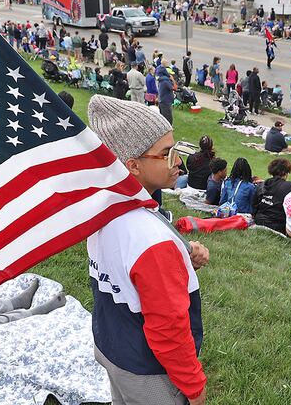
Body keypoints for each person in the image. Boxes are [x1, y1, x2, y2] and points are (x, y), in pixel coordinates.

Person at [85, 95, 208, 405]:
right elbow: (168, 329)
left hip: (112, 345)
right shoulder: (151, 240)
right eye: (166, 153)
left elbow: (126, 270)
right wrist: (193, 388)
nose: (178, 161)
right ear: (133, 164)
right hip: (148, 371)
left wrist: (180, 255)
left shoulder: (105, 207)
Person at [253, 159, 291, 234]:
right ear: (286, 173)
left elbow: (255, 204)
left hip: (259, 220)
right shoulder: (290, 186)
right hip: (277, 225)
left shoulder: (262, 184)